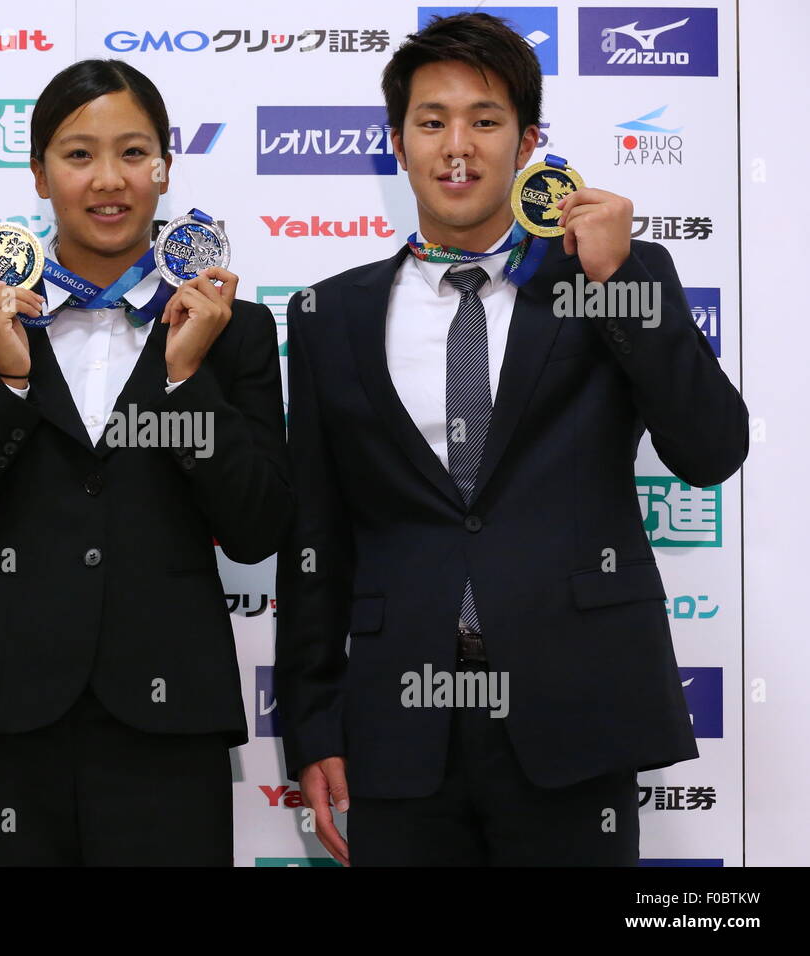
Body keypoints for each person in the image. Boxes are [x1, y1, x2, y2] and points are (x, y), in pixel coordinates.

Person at [275, 12, 748, 866]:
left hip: (573, 711)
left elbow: (711, 449)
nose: (458, 145)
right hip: (398, 723)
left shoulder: (606, 277)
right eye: (432, 121)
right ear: (398, 141)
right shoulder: (327, 314)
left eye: (486, 120)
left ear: (529, 141)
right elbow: (316, 537)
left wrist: (619, 279)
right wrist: (313, 725)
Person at [0, 58, 291, 866]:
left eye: (133, 152)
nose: (108, 179)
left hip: (169, 718)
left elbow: (257, 529)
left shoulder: (234, 329)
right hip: (3, 715)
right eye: (78, 154)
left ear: (165, 168)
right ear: (39, 174)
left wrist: (186, 379)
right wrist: (7, 379)